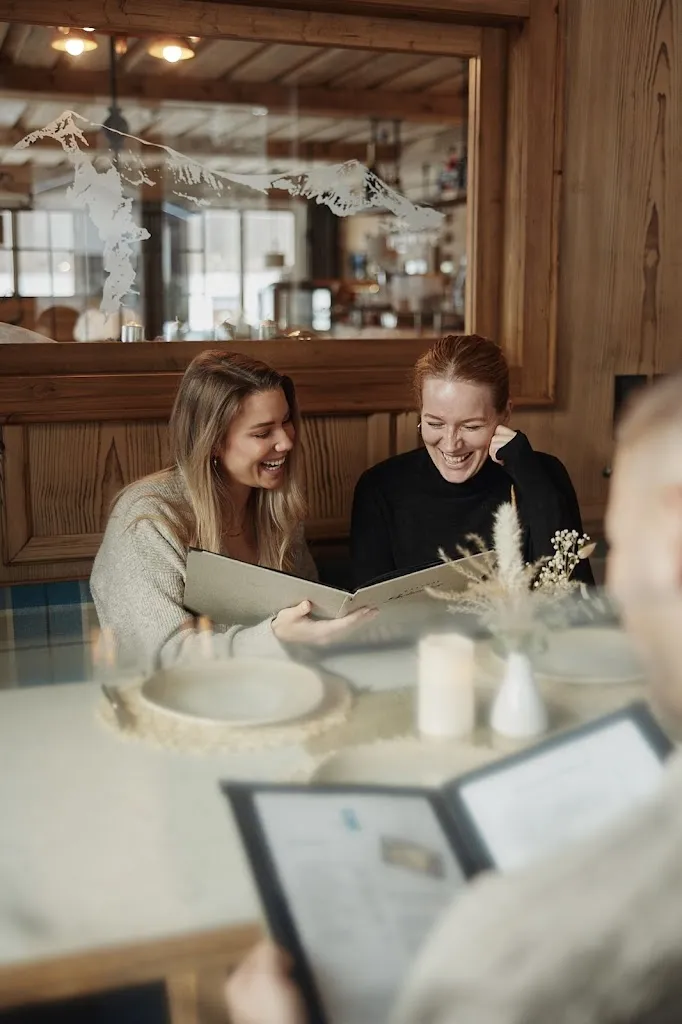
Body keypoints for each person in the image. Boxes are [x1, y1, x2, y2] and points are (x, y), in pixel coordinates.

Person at [225, 371, 682, 1024]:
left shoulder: (504, 938)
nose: (451, 442)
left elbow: (570, 585)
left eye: (623, 543)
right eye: (435, 423)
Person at [91, 350, 375, 670]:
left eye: (285, 421)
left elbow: (308, 614)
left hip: (274, 689)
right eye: (262, 433)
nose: (286, 442)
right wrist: (276, 638)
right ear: (212, 441)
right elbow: (167, 658)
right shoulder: (146, 518)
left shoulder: (276, 508)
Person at [350, 334, 592, 588]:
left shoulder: (543, 475)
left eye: (471, 426)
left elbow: (575, 596)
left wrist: (531, 479)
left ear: (505, 414)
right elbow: (368, 603)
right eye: (435, 424)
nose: (451, 444)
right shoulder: (380, 487)